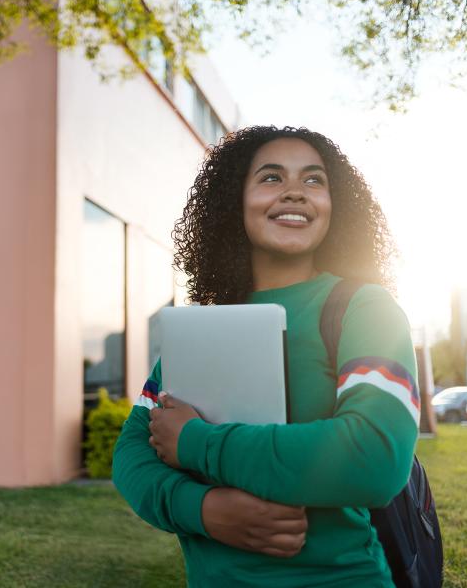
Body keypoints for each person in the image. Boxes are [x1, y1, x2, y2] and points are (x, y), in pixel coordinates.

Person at [112, 125, 419, 587]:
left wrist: (197, 443)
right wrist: (204, 510)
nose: (295, 192)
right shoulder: (200, 327)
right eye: (271, 178)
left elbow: (373, 457)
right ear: (233, 202)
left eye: (314, 180)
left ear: (337, 207)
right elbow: (132, 455)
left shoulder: (365, 308)